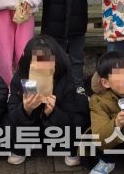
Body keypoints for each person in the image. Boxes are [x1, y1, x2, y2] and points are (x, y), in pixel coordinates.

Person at [6, 35, 90, 166]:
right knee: (8, 117)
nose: (41, 67)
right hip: (32, 128)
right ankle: (21, 148)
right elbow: (12, 113)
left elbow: (70, 117)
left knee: (80, 116)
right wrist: (26, 109)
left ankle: (71, 149)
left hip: (57, 130)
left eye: (46, 61)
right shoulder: (20, 78)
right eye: (36, 63)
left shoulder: (67, 78)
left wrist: (52, 112)